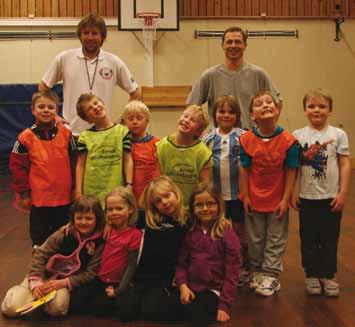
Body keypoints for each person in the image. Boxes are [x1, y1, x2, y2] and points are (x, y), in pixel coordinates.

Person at [1, 195, 105, 317]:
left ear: (97, 220)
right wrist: (36, 283)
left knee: (57, 308)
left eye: (88, 218)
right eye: (79, 218)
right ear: (73, 219)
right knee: (12, 308)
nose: (83, 222)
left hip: (63, 283)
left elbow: (90, 274)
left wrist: (64, 283)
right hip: (42, 275)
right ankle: (23, 295)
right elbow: (40, 253)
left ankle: (38, 304)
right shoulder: (63, 233)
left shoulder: (100, 242)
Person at [291, 89, 350, 297]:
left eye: (322, 106)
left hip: (331, 198)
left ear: (330, 110)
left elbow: (344, 164)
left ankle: (329, 274)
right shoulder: (297, 136)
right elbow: (294, 167)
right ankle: (311, 275)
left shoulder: (338, 134)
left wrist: (342, 193)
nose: (317, 110)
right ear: (305, 110)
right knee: (308, 238)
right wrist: (293, 192)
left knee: (329, 238)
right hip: (307, 198)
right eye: (312, 106)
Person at [39, 13, 140, 135]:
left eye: (94, 33)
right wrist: (54, 116)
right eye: (86, 33)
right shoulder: (64, 58)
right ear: (80, 36)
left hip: (104, 133)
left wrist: (122, 120)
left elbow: (136, 93)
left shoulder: (114, 61)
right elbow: (43, 87)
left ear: (102, 36)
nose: (90, 37)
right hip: (71, 133)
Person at [239, 91, 299, 296]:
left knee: (275, 237)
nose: (265, 105)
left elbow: (291, 171)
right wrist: (245, 195)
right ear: (252, 115)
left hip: (277, 199)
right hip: (254, 198)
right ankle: (257, 271)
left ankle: (271, 275)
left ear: (277, 109)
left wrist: (285, 199)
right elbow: (244, 170)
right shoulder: (246, 140)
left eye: (269, 102)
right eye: (258, 104)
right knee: (255, 238)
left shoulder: (289, 141)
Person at [9, 90, 76, 247]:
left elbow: (75, 162)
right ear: (32, 110)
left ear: (56, 110)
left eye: (50, 107)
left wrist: (75, 187)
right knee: (40, 236)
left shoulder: (67, 134)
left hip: (64, 195)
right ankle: (40, 263)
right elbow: (18, 168)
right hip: (39, 198)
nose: (46, 110)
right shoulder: (25, 137)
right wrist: (23, 194)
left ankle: (62, 262)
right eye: (41, 107)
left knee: (64, 234)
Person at [117, 176, 187, 322]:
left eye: (167, 196)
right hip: (141, 277)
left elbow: (209, 220)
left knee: (150, 312)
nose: (165, 203)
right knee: (124, 312)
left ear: (176, 193)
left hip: (163, 280)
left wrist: (223, 222)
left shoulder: (187, 219)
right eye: (158, 201)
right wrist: (107, 223)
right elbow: (121, 217)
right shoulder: (148, 218)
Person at [187, 26, 281, 129]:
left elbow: (277, 102)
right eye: (229, 42)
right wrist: (199, 132)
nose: (233, 45)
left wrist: (267, 129)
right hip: (219, 140)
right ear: (223, 45)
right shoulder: (209, 76)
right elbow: (192, 107)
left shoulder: (259, 74)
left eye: (237, 42)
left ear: (245, 45)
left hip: (251, 137)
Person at [70, 187, 142, 315]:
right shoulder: (105, 228)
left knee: (125, 313)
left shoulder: (135, 235)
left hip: (120, 282)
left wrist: (119, 290)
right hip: (100, 279)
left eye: (119, 208)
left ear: (130, 209)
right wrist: (69, 225)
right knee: (79, 305)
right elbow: (84, 220)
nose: (114, 213)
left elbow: (131, 266)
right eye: (110, 209)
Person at [175, 183, 240, 323]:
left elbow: (232, 272)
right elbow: (181, 264)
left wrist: (224, 305)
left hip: (213, 290)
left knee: (196, 316)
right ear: (193, 208)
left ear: (219, 205)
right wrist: (183, 286)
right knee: (160, 310)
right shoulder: (190, 231)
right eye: (199, 205)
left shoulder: (226, 232)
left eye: (210, 204)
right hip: (190, 287)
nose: (205, 209)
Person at [202, 95, 248, 286]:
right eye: (222, 111)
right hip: (218, 197)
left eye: (231, 112)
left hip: (237, 195)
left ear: (237, 115)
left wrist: (245, 193)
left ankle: (242, 267)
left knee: (238, 231)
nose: (226, 115)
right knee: (219, 230)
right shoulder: (209, 138)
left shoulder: (244, 136)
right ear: (215, 114)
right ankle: (219, 266)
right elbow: (204, 166)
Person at [75, 93, 133, 206]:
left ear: (103, 104)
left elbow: (127, 160)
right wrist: (78, 191)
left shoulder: (123, 132)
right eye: (90, 109)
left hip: (116, 190)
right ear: (87, 119)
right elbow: (80, 165)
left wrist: (129, 184)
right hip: (91, 191)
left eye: (96, 103)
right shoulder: (84, 137)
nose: (95, 108)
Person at [156, 105, 212, 208]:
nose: (186, 120)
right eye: (185, 116)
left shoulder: (203, 153)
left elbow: (204, 185)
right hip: (166, 206)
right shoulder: (162, 146)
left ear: (199, 131)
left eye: (193, 120)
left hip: (191, 207)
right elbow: (158, 179)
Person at [121, 100, 160, 227]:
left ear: (147, 120)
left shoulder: (157, 143)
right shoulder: (122, 144)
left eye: (139, 118)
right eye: (130, 118)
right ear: (125, 121)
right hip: (129, 197)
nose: (135, 121)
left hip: (151, 198)